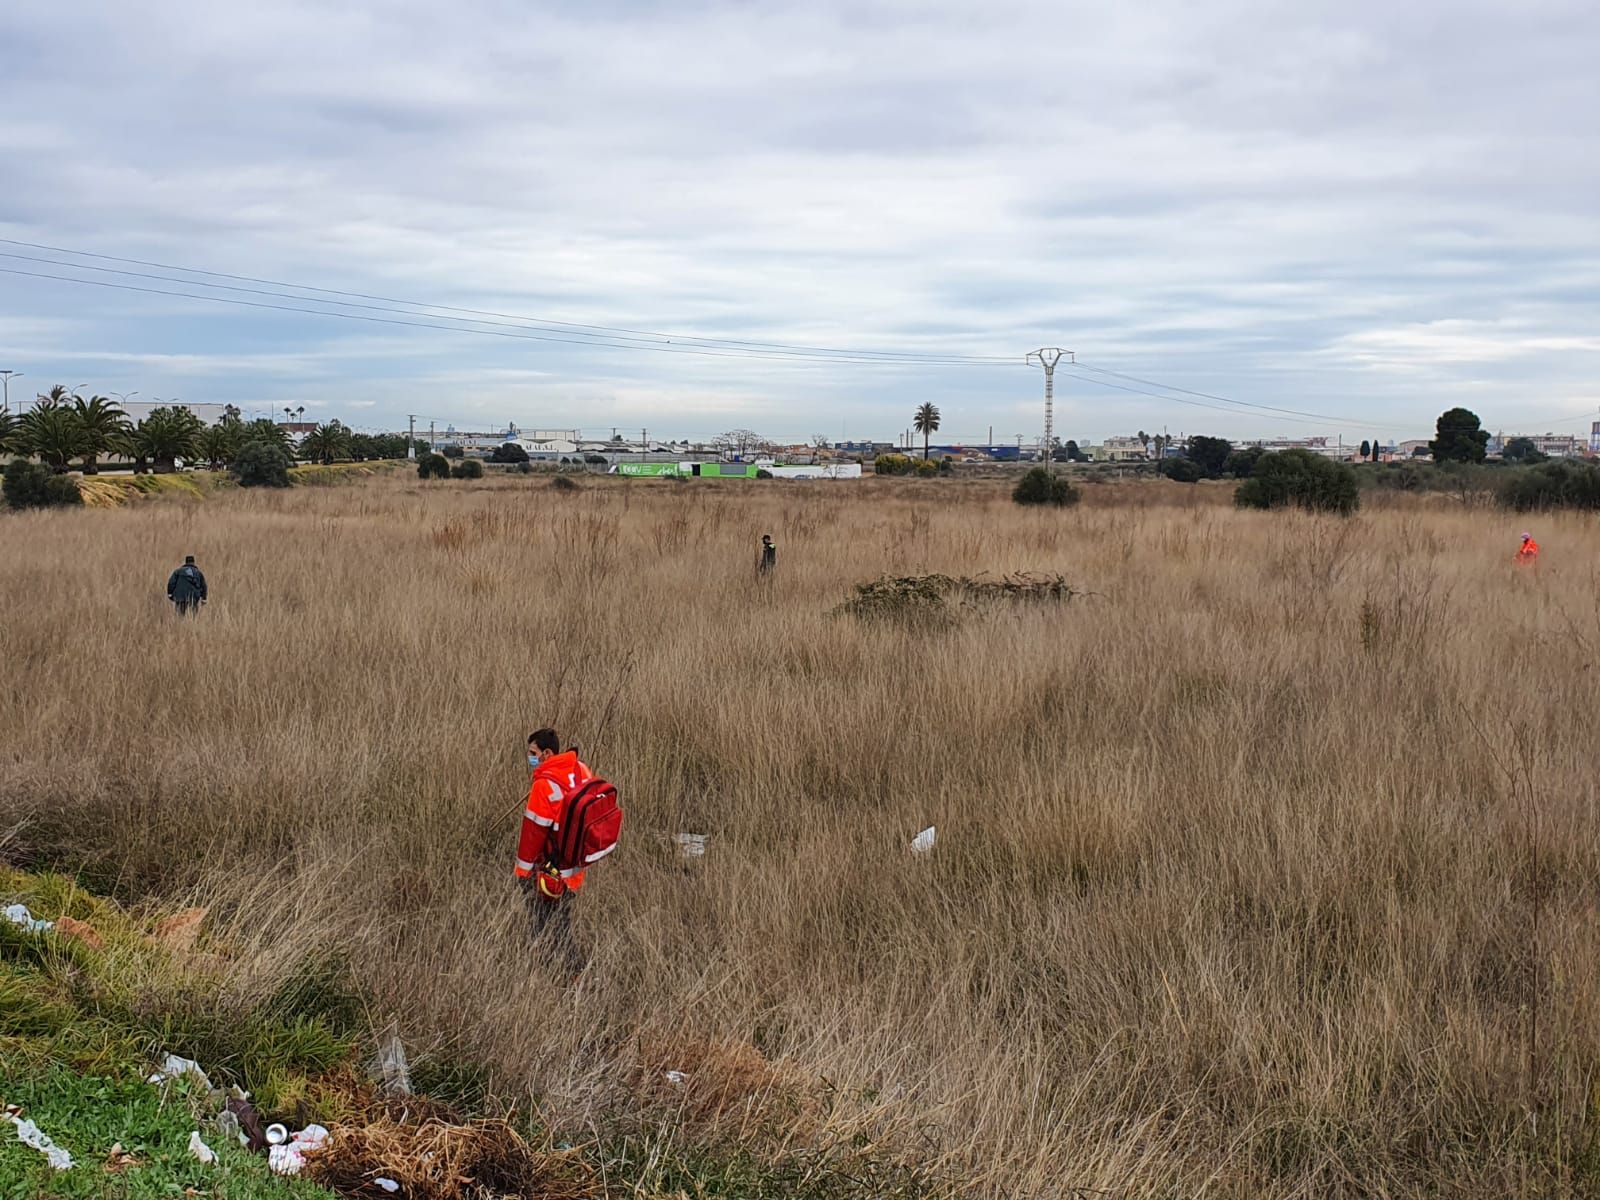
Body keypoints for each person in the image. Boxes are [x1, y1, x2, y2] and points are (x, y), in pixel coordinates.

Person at [515, 728, 592, 975]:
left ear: (547, 753)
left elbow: (532, 837)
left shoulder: (543, 786)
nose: (530, 758)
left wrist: (522, 874)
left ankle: (563, 974)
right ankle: (567, 971)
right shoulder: (581, 769)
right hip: (577, 865)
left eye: (533, 753)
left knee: (547, 923)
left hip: (550, 872)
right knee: (561, 919)